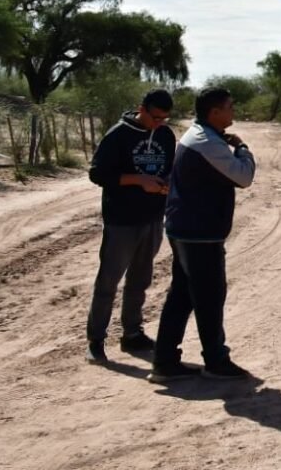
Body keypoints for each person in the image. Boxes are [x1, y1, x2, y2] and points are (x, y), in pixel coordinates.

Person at [150, 87, 257, 382]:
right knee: (209, 297)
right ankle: (216, 360)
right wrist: (243, 148)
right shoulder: (207, 142)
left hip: (185, 227)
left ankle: (165, 361)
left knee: (182, 295)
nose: (233, 111)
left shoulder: (199, 135)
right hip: (199, 232)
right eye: (230, 106)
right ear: (214, 112)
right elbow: (244, 176)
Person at [86, 89, 177, 363]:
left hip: (153, 218)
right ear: (142, 109)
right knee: (109, 281)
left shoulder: (165, 135)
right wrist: (138, 180)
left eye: (164, 118)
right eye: (155, 117)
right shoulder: (118, 135)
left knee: (140, 279)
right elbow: (98, 174)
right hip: (121, 220)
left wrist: (166, 183)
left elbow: (170, 167)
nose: (158, 123)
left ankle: (132, 333)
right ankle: (96, 339)